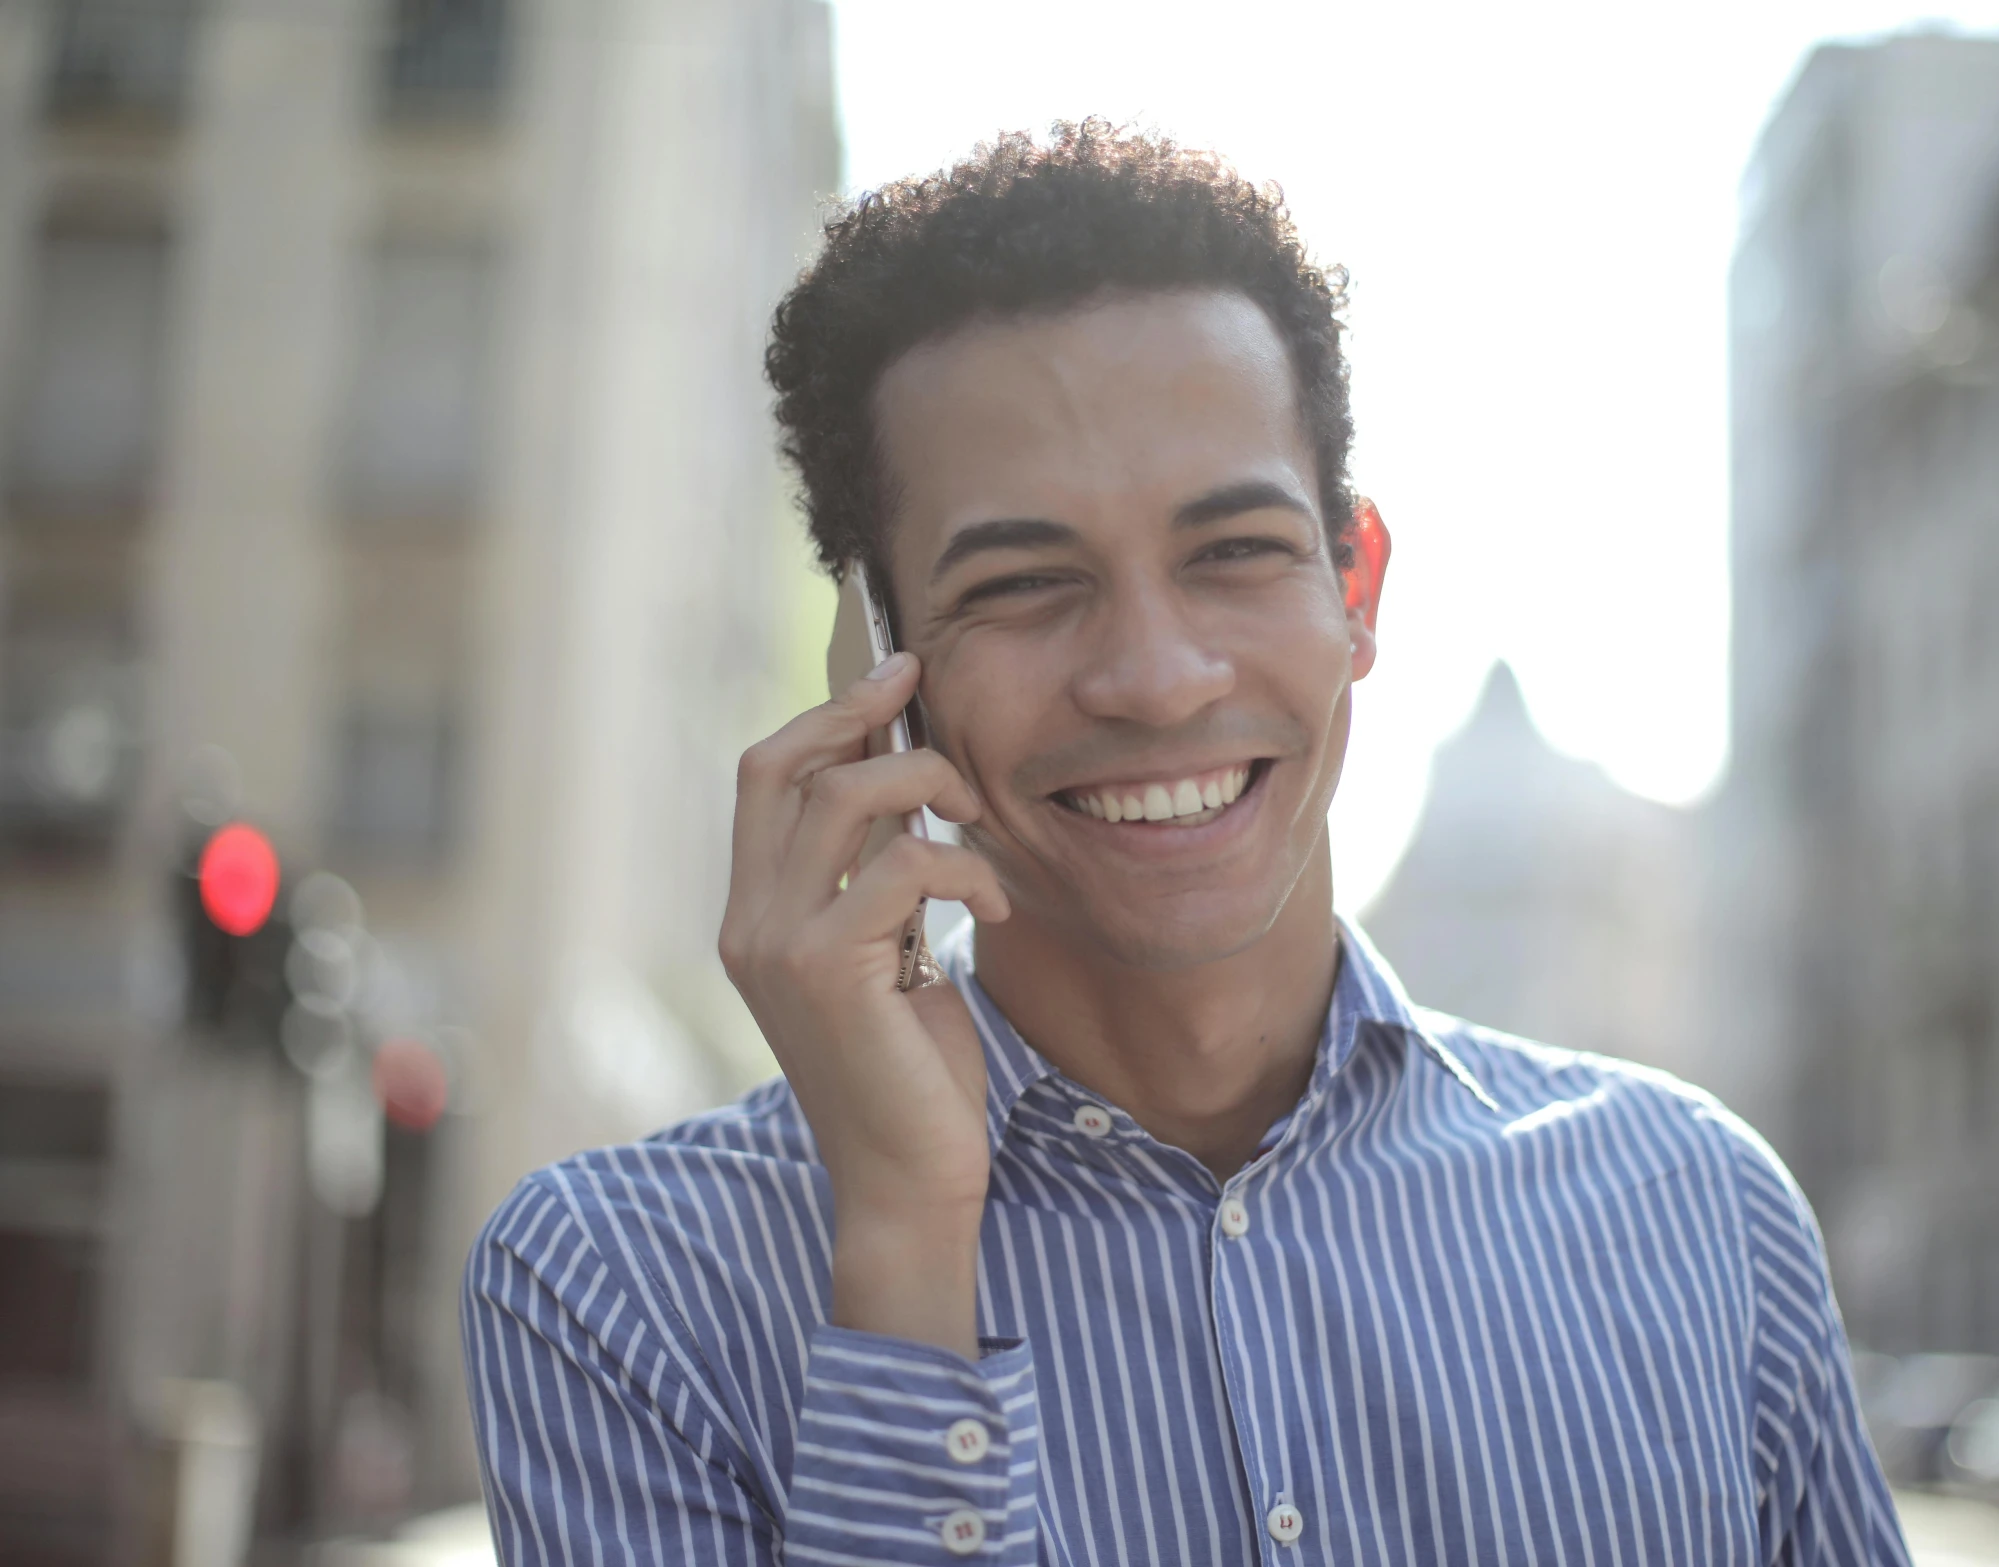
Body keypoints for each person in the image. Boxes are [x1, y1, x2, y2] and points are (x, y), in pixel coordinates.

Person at [463, 120, 1909, 1566]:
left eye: (1231, 552)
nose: (1155, 678)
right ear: (875, 661)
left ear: (1355, 588)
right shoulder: (618, 1287)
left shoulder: (1702, 1212)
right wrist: (904, 1242)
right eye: (1025, 584)